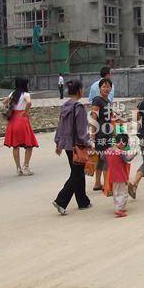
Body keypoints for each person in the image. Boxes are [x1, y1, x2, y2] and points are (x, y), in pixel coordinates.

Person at [53, 80, 92, 215]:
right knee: (76, 174)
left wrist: (58, 143)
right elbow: (82, 130)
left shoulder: (65, 106)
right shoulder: (78, 107)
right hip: (78, 145)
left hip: (67, 146)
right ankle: (61, 201)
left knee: (78, 173)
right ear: (79, 90)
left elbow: (60, 126)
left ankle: (83, 201)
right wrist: (89, 144)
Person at [3, 77, 38, 176]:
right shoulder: (26, 94)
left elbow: (4, 102)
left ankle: (18, 168)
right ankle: (26, 166)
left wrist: (9, 108)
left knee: (15, 145)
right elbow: (29, 102)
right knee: (29, 144)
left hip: (13, 120)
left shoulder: (13, 93)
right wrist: (25, 112)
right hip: (22, 120)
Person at [90, 78, 114, 191]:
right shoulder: (97, 100)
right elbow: (93, 119)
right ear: (99, 88)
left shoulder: (107, 101)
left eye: (108, 86)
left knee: (100, 159)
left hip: (107, 133)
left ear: (111, 88)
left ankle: (98, 183)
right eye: (103, 86)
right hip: (101, 135)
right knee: (105, 159)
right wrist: (92, 136)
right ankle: (106, 184)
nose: (106, 88)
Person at [105, 133, 136, 218]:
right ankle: (119, 209)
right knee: (123, 193)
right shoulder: (121, 152)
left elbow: (102, 157)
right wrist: (134, 153)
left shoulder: (109, 150)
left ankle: (118, 207)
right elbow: (128, 158)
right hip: (120, 175)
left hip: (112, 175)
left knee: (116, 192)